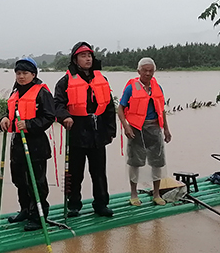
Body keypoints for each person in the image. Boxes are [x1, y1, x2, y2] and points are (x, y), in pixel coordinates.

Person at [53, 42, 117, 217]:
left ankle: (101, 204)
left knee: (99, 173)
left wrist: (110, 131)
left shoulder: (101, 79)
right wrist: (64, 116)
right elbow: (57, 104)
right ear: (75, 59)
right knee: (74, 172)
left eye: (89, 55)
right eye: (83, 56)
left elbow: (110, 107)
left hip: (98, 131)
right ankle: (74, 204)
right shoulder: (65, 81)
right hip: (76, 131)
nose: (87, 59)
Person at [0, 57, 56, 231]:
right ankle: (25, 209)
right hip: (17, 143)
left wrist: (29, 124)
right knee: (19, 180)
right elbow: (8, 111)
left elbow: (49, 117)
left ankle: (39, 216)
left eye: (25, 73)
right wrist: (4, 119)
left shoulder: (42, 92)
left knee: (36, 182)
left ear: (33, 74)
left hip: (35, 144)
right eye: (18, 73)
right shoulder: (15, 92)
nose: (21, 76)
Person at [117, 57, 172, 206]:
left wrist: (166, 129)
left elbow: (161, 110)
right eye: (145, 70)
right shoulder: (131, 88)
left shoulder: (157, 88)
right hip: (136, 129)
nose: (148, 73)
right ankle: (134, 194)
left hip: (154, 128)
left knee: (157, 161)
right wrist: (126, 126)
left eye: (151, 71)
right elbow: (120, 108)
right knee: (135, 162)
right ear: (138, 71)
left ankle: (156, 194)